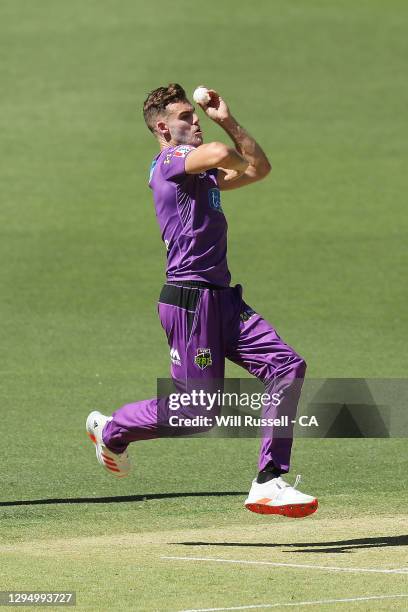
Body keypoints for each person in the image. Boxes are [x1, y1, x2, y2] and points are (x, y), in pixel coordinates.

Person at [86, 83, 318, 518]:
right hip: (191, 301)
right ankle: (112, 429)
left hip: (224, 300)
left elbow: (260, 168)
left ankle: (268, 481)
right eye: (185, 117)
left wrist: (227, 120)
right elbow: (216, 154)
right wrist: (221, 143)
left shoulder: (201, 174)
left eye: (195, 116)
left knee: (287, 366)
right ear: (161, 127)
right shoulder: (169, 162)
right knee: (196, 411)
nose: (194, 121)